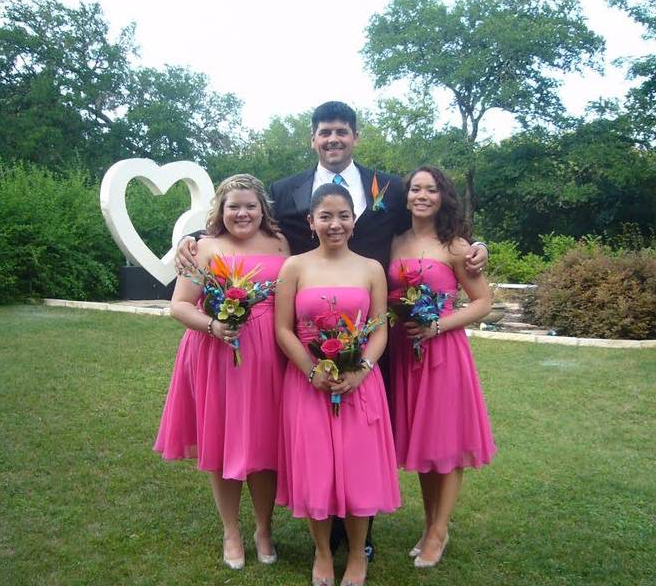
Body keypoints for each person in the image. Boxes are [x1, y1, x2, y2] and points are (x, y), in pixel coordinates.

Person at [175, 100, 489, 559]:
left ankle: (362, 534)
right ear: (313, 139)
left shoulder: (391, 188)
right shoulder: (286, 191)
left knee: (362, 433)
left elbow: (433, 223)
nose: (334, 139)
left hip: (375, 331)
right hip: (304, 334)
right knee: (318, 431)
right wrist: (195, 238)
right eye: (325, 132)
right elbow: (244, 221)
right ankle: (324, 529)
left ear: (355, 137)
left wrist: (475, 245)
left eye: (342, 131)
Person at [153, 174, 290, 570]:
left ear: (262, 208)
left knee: (265, 447)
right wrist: (215, 326)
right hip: (217, 353)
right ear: (220, 211)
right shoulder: (204, 247)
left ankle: (263, 529)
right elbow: (180, 305)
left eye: (250, 206)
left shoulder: (281, 244)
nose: (242, 213)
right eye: (234, 207)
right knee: (223, 442)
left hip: (268, 356)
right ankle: (231, 530)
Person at [274, 183, 399, 586]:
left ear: (354, 221)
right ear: (311, 222)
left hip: (360, 384)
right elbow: (283, 330)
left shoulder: (370, 268)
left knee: (359, 469)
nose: (335, 224)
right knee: (317, 470)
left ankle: (358, 556)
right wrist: (312, 371)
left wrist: (360, 370)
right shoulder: (294, 267)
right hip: (308, 384)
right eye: (325, 216)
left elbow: (379, 329)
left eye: (343, 215)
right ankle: (324, 554)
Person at [387, 165, 497, 568]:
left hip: (443, 353)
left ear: (442, 197)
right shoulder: (393, 241)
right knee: (423, 442)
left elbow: (483, 303)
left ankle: (439, 531)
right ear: (406, 196)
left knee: (446, 446)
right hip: (404, 353)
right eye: (415, 188)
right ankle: (430, 522)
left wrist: (437, 325)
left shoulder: (456, 247)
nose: (422, 195)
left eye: (430, 189)